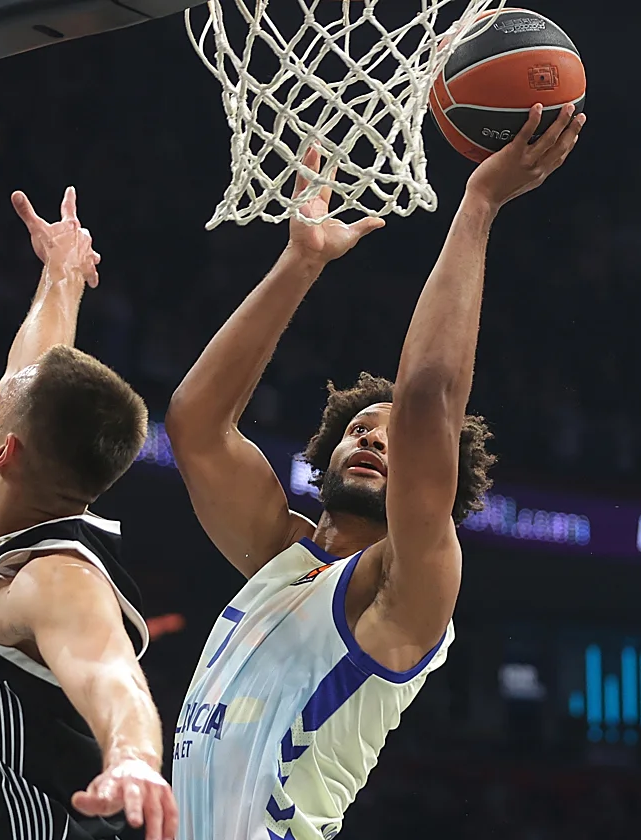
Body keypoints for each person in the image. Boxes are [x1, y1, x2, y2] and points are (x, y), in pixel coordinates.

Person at [166, 104, 585, 840]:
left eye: (395, 445)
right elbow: (195, 427)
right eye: (360, 428)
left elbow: (426, 400)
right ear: (323, 454)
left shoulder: (408, 586)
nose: (374, 440)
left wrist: (479, 204)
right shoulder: (278, 553)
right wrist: (300, 264)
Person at [0, 187, 178, 840]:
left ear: (5, 451)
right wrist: (61, 277)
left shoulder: (50, 578)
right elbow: (30, 373)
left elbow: (113, 674)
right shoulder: (3, 525)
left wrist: (135, 759)